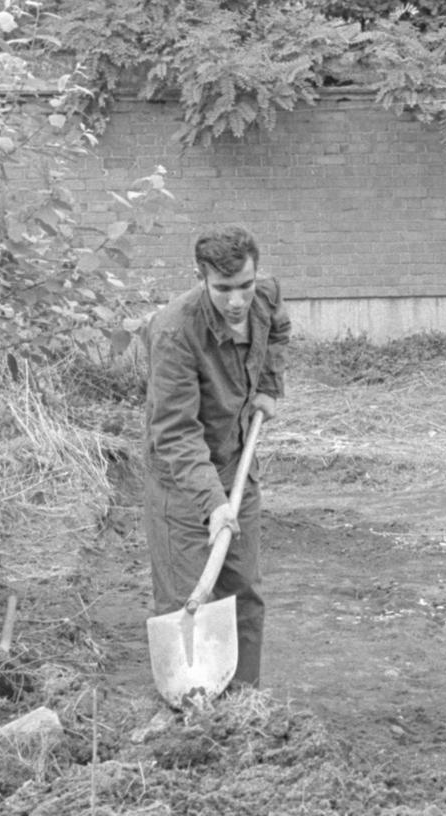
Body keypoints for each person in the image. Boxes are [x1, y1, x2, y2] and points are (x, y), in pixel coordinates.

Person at [143, 225, 290, 691]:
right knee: (187, 598)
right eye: (223, 289)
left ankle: (245, 707)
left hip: (236, 464)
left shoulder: (264, 297)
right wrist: (212, 504)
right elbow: (175, 433)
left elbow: (279, 329)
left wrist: (268, 384)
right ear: (200, 277)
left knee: (244, 592)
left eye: (244, 286)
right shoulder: (174, 333)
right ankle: (190, 711)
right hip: (182, 483)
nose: (236, 301)